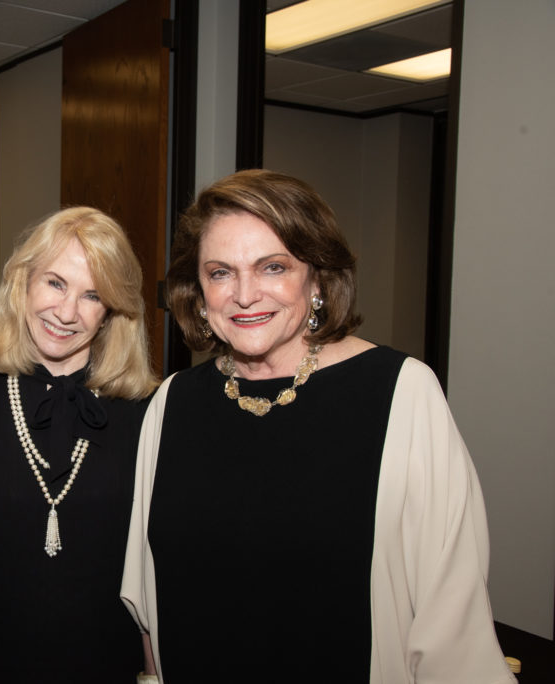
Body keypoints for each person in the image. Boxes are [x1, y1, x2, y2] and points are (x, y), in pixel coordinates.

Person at [121, 169, 516, 683]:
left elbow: (452, 614)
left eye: (272, 267)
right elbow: (150, 599)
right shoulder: (172, 403)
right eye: (220, 272)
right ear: (197, 290)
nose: (244, 294)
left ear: (318, 278)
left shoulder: (401, 393)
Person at [0, 207, 158, 683]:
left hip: (107, 666)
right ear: (23, 284)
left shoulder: (144, 415)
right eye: (55, 283)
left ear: (111, 311)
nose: (67, 313)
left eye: (92, 295)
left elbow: (160, 572)